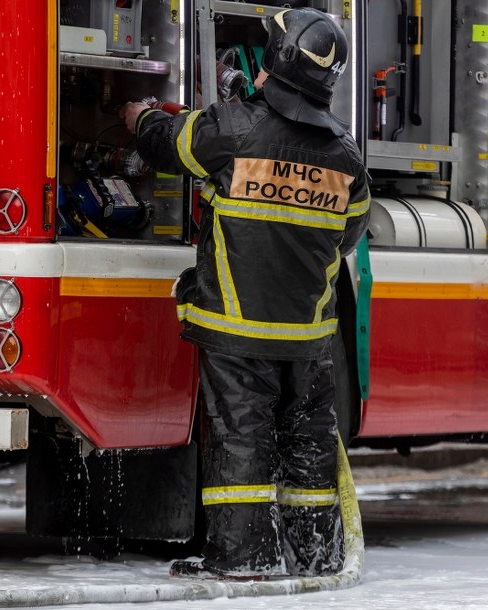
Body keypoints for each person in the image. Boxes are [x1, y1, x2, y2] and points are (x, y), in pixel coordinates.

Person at [120, 7, 370, 580]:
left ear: (279, 61)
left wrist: (141, 117)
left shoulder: (233, 129)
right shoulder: (347, 158)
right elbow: (350, 234)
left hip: (238, 332)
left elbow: (171, 145)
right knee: (307, 445)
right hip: (308, 337)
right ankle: (315, 558)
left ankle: (243, 560)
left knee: (242, 439)